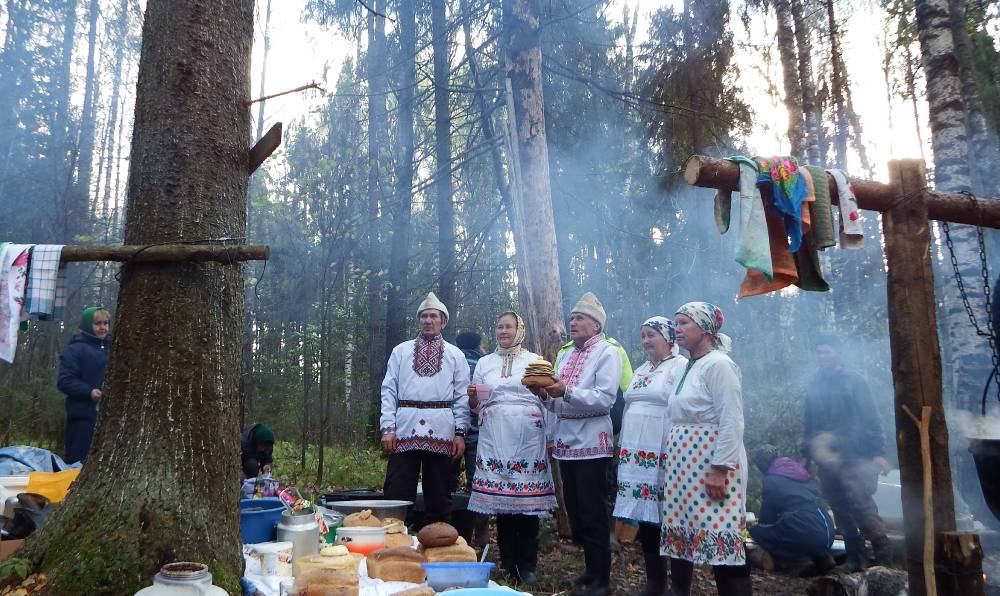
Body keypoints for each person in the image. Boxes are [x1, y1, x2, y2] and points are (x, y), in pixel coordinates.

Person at [531, 292, 621, 596]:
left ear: (595, 325)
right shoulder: (566, 355)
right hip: (566, 443)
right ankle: (590, 570)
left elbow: (605, 400)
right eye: (571, 317)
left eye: (579, 318)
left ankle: (603, 580)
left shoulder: (607, 352)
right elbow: (559, 402)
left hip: (593, 443)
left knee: (593, 511)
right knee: (576, 511)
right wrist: (543, 396)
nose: (573, 322)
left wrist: (564, 390)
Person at [661, 302, 752, 596]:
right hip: (684, 468)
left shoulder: (719, 365)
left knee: (722, 536)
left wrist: (720, 468)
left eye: (684, 323)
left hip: (711, 464)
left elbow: (732, 420)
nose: (677, 329)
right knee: (683, 533)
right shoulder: (690, 365)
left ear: (706, 329)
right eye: (676, 323)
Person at [467, 312, 556, 585]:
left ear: (520, 329)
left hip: (528, 433)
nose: (503, 331)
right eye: (499, 327)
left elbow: (548, 400)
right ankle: (508, 563)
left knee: (526, 504)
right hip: (494, 434)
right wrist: (472, 399)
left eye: (508, 326)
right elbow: (478, 405)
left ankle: (527, 566)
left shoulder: (535, 361)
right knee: (502, 503)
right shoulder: (485, 362)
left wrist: (551, 436)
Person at [802, 335, 891, 570]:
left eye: (827, 352)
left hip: (856, 455)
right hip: (827, 459)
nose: (822, 356)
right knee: (840, 508)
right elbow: (809, 423)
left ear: (838, 353)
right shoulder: (814, 384)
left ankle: (885, 559)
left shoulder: (855, 381)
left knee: (862, 505)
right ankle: (856, 559)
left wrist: (878, 452)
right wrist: (807, 454)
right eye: (819, 352)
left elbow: (872, 418)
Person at [380, 292, 471, 525]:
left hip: (442, 428)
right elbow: (389, 390)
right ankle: (395, 546)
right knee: (397, 493)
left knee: (439, 495)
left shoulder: (455, 355)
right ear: (419, 320)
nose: (428, 320)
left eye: (434, 316)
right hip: (404, 428)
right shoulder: (401, 351)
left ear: (443, 321)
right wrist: (387, 428)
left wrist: (460, 433)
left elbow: (461, 396)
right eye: (424, 316)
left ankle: (438, 548)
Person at [613, 316, 687, 596]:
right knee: (647, 519)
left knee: (670, 516)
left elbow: (681, 408)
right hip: (636, 452)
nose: (645, 341)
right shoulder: (642, 369)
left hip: (663, 449)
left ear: (668, 338)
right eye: (643, 335)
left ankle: (679, 588)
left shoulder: (680, 366)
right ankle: (655, 583)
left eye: (651, 335)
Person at [747, 444, 835, 577]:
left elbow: (767, 518)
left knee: (758, 532)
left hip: (805, 527)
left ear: (763, 463)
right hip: (826, 529)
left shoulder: (772, 479)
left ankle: (798, 561)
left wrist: (754, 527)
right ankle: (821, 557)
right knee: (793, 530)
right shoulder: (798, 472)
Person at [58, 306, 110, 464]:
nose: (103, 327)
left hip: (109, 420)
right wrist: (89, 392)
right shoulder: (75, 349)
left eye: (106, 323)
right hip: (82, 418)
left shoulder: (114, 347)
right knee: (78, 465)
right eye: (97, 323)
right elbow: (65, 381)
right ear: (88, 325)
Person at [454, 330, 484, 491]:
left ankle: (447, 514)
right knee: (476, 479)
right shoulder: (484, 365)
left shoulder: (450, 363)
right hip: (477, 430)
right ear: (478, 346)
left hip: (453, 430)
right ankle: (474, 514)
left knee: (447, 479)